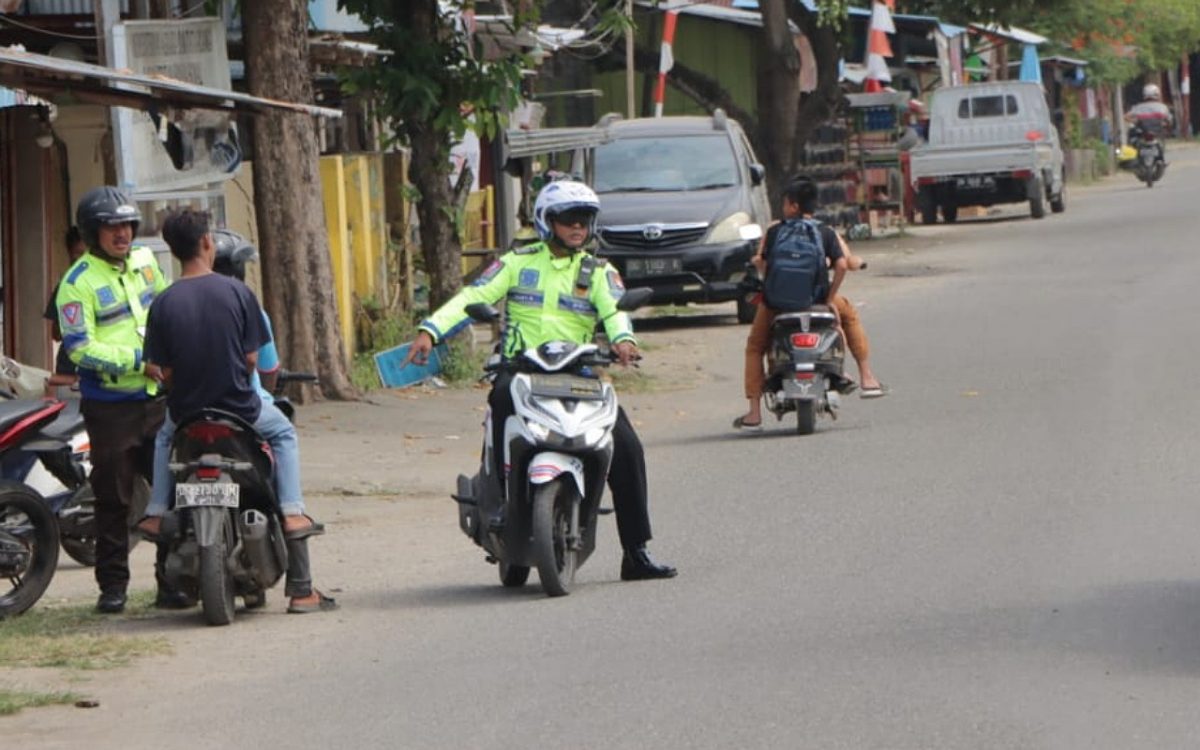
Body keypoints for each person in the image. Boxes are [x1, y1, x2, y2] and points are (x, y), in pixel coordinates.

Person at [403, 180, 676, 581]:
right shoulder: (517, 262)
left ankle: (636, 551)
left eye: (583, 220)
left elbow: (616, 312)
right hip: (522, 371)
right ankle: (497, 504)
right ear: (548, 221)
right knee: (498, 407)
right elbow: (471, 297)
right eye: (568, 220)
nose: (578, 228)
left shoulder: (598, 271)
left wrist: (623, 342)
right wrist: (431, 330)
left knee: (627, 448)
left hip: (579, 374)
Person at [139, 209, 335, 614]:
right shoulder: (240, 295)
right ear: (206, 242)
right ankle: (293, 513)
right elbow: (252, 360)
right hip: (240, 410)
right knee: (283, 435)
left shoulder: (162, 302)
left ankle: (157, 512)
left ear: (173, 251)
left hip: (187, 414)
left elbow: (162, 369)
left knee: (162, 437)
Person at [55, 187, 171, 614]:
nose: (122, 234)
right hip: (110, 409)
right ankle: (113, 587)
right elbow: (80, 349)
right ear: (92, 231)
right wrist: (139, 360)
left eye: (127, 225)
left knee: (168, 492)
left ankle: (170, 579)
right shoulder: (76, 283)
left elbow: (165, 308)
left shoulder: (145, 262)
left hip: (157, 401)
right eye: (111, 227)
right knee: (114, 499)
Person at [734, 177, 885, 431]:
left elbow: (762, 262)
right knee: (848, 315)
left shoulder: (774, 230)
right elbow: (842, 263)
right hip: (816, 300)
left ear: (793, 206)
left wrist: (767, 277)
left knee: (755, 346)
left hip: (776, 304)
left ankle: (754, 413)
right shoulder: (825, 231)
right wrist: (827, 297)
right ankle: (867, 377)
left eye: (784, 203)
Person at [42, 226, 86, 394]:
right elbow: (56, 333)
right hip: (70, 370)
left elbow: (56, 333)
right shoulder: (66, 287)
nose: (83, 260)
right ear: (69, 253)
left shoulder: (66, 285)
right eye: (78, 253)